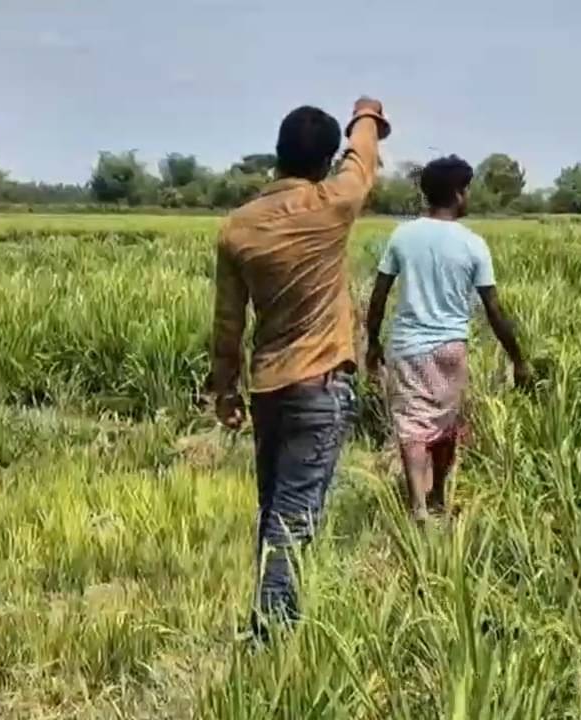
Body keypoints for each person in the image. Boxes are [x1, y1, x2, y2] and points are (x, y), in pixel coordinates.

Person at [209, 97, 390, 636]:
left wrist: (224, 391)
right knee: (294, 520)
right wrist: (367, 114)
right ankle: (272, 636)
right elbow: (362, 160)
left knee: (275, 512)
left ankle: (267, 620)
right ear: (322, 163)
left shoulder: (238, 227)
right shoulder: (332, 203)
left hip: (267, 387)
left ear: (278, 153)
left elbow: (226, 326)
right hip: (320, 385)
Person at [365, 155, 530, 523]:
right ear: (458, 194)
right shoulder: (473, 244)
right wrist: (517, 357)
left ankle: (417, 507)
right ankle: (438, 495)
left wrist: (372, 342)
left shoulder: (402, 235)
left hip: (408, 346)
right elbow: (493, 309)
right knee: (445, 424)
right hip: (451, 349)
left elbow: (379, 296)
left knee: (411, 424)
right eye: (467, 189)